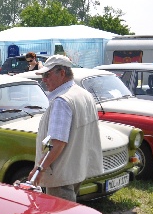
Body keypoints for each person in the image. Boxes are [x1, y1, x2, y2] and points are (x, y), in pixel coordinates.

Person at [28, 55, 102, 202]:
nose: (44, 79)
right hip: (76, 170)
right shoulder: (84, 94)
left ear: (62, 73)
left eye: (47, 75)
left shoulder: (62, 101)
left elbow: (57, 142)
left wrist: (39, 169)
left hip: (60, 175)